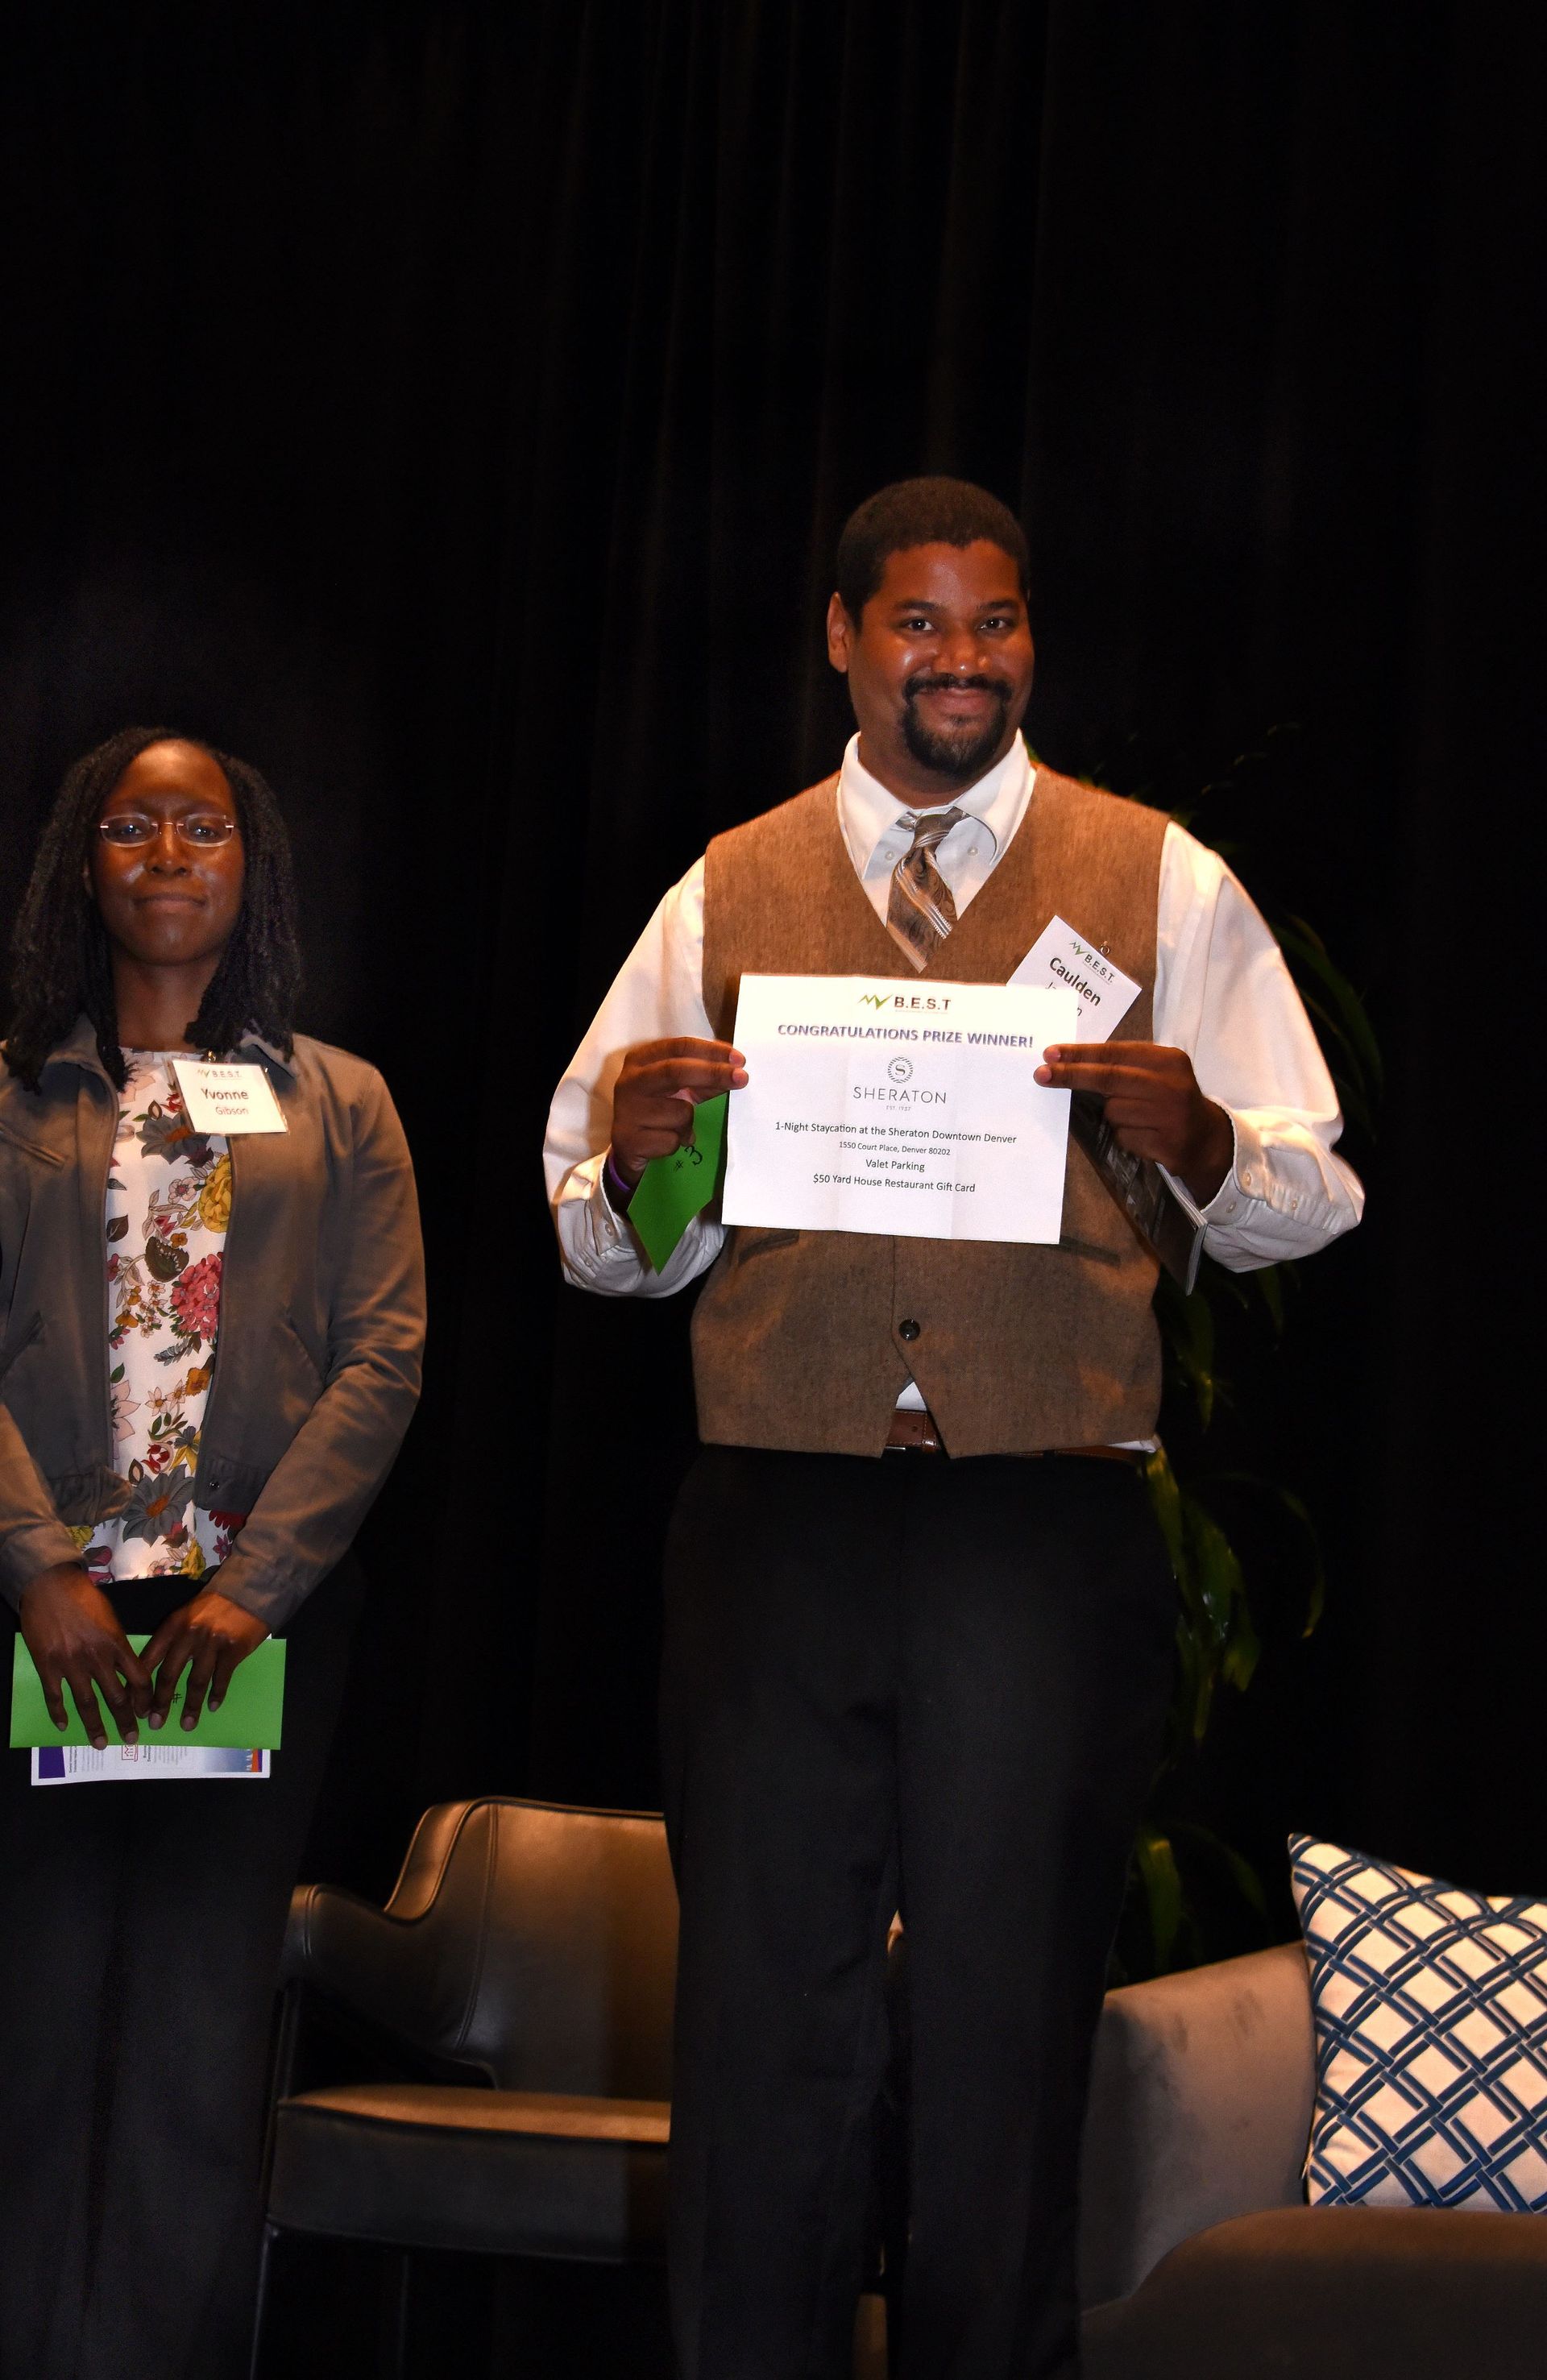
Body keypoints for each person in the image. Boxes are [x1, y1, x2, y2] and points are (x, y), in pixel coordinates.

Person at [545, 477, 1363, 2379]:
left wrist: (1202, 1138)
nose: (962, 659)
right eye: (918, 622)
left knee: (1007, 2024)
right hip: (779, 1518)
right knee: (762, 2024)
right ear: (843, 639)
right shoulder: (724, 887)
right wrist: (640, 1157)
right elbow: (604, 1236)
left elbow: (1317, 1185)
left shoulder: (1157, 876)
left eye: (994, 621)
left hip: (1038, 1524)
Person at [0, 727, 425, 2380]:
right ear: (81, 862)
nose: (168, 855)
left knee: (195, 2038)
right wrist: (36, 1564)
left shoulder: (344, 1101)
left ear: (254, 867)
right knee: (33, 2032)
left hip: (247, 1630)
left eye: (204, 827)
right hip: (41, 1623)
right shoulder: (17, 1091)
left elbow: (383, 1360)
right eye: (132, 827)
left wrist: (256, 1591)